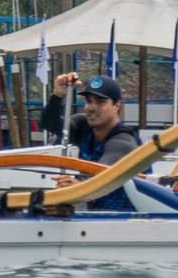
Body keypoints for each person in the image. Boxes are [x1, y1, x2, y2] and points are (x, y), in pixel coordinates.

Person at [43, 73, 141, 211]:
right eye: (89, 101)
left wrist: (76, 188)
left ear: (116, 106)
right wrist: (57, 96)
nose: (92, 107)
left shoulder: (123, 141)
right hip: (91, 216)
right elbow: (50, 124)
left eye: (100, 102)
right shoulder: (81, 124)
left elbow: (100, 179)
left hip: (124, 221)